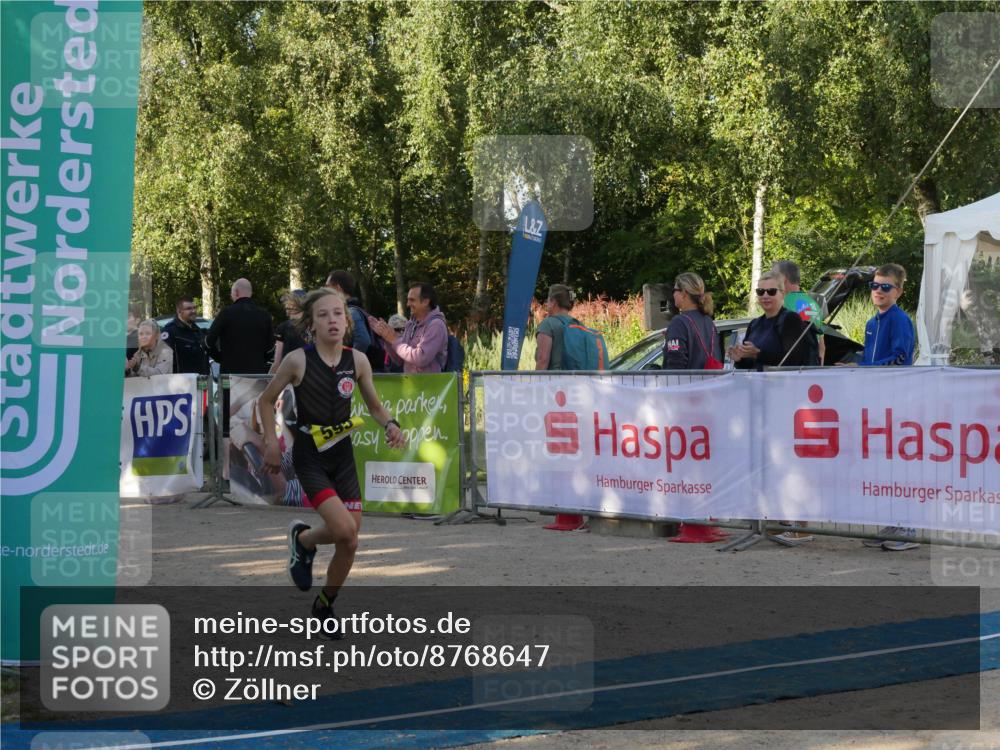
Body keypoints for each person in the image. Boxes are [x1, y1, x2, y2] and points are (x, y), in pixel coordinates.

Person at [258, 288, 406, 637]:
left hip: (342, 456)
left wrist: (391, 424)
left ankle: (323, 601)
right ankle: (306, 542)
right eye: (323, 315)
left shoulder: (358, 361)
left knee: (350, 540)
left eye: (338, 313)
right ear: (311, 323)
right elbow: (265, 402)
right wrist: (270, 443)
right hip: (311, 455)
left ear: (347, 319)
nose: (333, 320)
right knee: (343, 529)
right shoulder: (297, 360)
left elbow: (374, 406)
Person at [857, 263, 919, 551]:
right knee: (884, 465)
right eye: (874, 285)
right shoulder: (872, 323)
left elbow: (900, 359)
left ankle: (910, 526)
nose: (878, 291)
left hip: (898, 400)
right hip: (876, 402)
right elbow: (870, 359)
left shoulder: (900, 320)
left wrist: (867, 369)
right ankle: (894, 521)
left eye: (886, 287)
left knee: (900, 463)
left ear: (899, 291)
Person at [730, 271, 818, 371]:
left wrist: (758, 354)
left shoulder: (791, 319)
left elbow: (794, 361)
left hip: (783, 385)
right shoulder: (754, 324)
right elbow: (748, 366)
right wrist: (739, 358)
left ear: (782, 294)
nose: (765, 296)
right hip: (758, 384)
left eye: (771, 291)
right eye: (760, 291)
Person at [369, 282, 448, 373]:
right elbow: (400, 360)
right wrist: (387, 338)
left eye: (412, 300)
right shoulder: (410, 324)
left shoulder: (436, 325)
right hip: (412, 384)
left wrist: (394, 340)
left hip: (432, 385)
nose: (407, 304)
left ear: (426, 302)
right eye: (408, 300)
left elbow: (421, 358)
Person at [206, 278, 274, 375]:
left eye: (231, 293)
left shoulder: (226, 313)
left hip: (230, 374)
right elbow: (271, 348)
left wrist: (221, 358)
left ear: (236, 292)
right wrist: (259, 361)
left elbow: (208, 342)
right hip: (256, 374)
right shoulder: (264, 315)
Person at [661, 273, 721, 369]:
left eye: (675, 290)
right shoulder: (708, 321)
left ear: (684, 293)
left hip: (688, 383)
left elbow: (675, 365)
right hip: (709, 382)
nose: (673, 294)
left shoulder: (679, 322)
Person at [772, 260, 824, 365]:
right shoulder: (813, 303)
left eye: (774, 275)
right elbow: (822, 346)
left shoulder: (782, 303)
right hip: (812, 368)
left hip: (791, 370)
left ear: (783, 278)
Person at [325, 270, 372, 357]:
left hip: (360, 369)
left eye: (327, 286)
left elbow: (363, 341)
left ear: (337, 288)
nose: (325, 290)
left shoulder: (351, 312)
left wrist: (349, 362)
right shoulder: (352, 310)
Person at [163, 296, 209, 375]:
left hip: (200, 382)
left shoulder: (198, 331)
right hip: (180, 383)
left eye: (195, 308)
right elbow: (164, 361)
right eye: (189, 309)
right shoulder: (170, 331)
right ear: (179, 311)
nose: (193, 311)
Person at [535, 284, 574, 370]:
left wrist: (535, 382)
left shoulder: (548, 324)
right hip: (575, 381)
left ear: (553, 302)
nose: (546, 303)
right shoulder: (577, 324)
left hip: (553, 381)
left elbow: (542, 359)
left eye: (548, 300)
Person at [270, 289, 307, 374]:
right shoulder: (316, 325)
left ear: (293, 305)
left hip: (289, 377)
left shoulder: (283, 327)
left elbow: (277, 362)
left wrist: (266, 382)